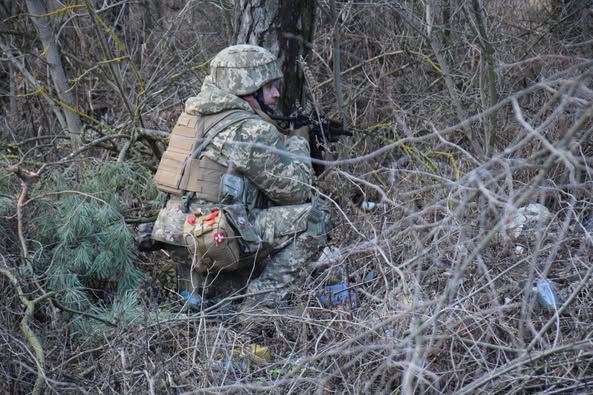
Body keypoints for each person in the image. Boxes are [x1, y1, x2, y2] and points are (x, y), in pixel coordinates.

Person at [151, 44, 331, 316]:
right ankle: (259, 307)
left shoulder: (192, 117)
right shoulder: (249, 129)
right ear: (246, 87)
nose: (276, 94)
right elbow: (298, 192)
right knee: (315, 217)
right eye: (269, 86)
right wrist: (298, 143)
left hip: (175, 234)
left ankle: (213, 298)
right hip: (214, 239)